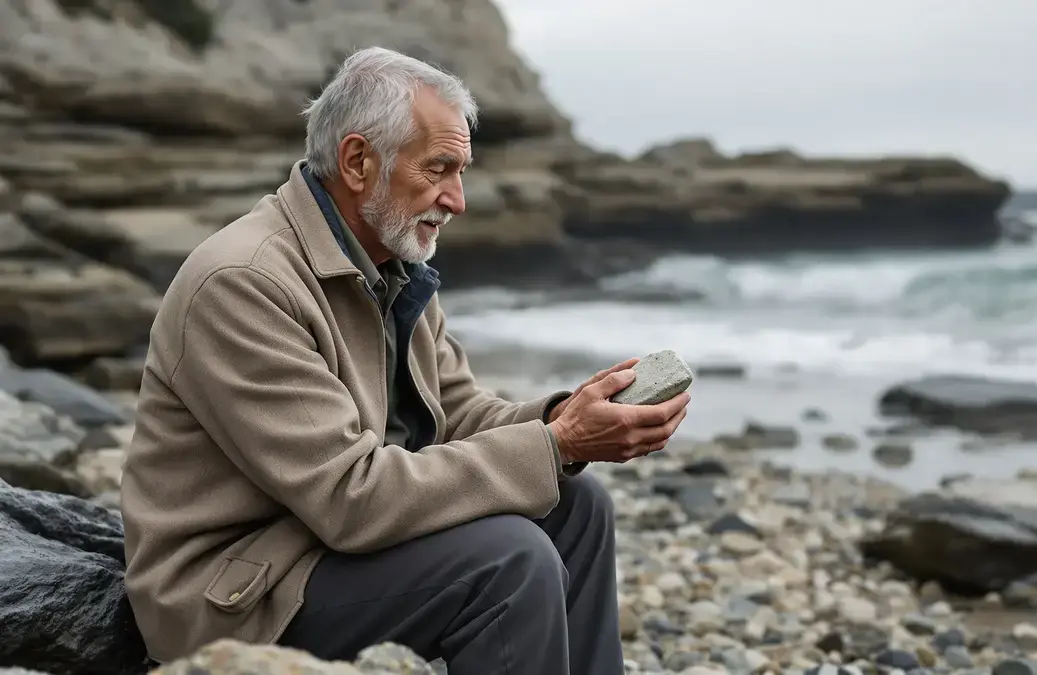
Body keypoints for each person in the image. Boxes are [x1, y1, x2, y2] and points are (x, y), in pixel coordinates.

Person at [119, 47, 690, 675]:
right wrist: (554, 444)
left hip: (319, 544)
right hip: (237, 589)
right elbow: (350, 497)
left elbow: (458, 413)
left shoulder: (395, 265)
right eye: (440, 168)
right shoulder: (244, 283)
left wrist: (567, 421)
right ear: (358, 161)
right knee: (510, 558)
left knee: (578, 508)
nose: (458, 199)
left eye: (462, 170)